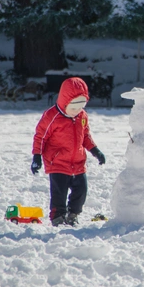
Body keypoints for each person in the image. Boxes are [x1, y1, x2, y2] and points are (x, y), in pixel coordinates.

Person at [31, 77, 106, 226]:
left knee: (81, 190)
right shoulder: (52, 116)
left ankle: (73, 214)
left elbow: (85, 135)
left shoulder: (82, 116)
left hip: (78, 162)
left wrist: (95, 150)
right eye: (73, 108)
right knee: (59, 192)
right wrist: (37, 157)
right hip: (57, 162)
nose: (77, 111)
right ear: (64, 101)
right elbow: (40, 137)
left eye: (80, 107)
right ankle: (58, 216)